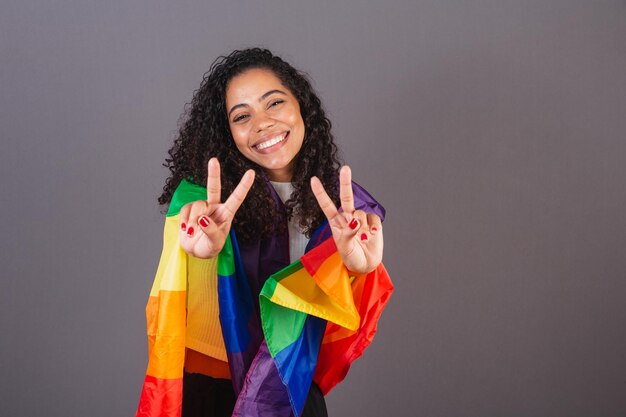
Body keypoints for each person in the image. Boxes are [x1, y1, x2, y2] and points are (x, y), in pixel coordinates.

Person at [136, 48, 393, 417]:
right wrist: (203, 253)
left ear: (302, 106)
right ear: (228, 133)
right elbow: (185, 274)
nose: (262, 123)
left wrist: (357, 272)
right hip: (214, 395)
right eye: (242, 116)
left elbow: (344, 320)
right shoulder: (204, 202)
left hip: (292, 387)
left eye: (274, 103)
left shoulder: (342, 209)